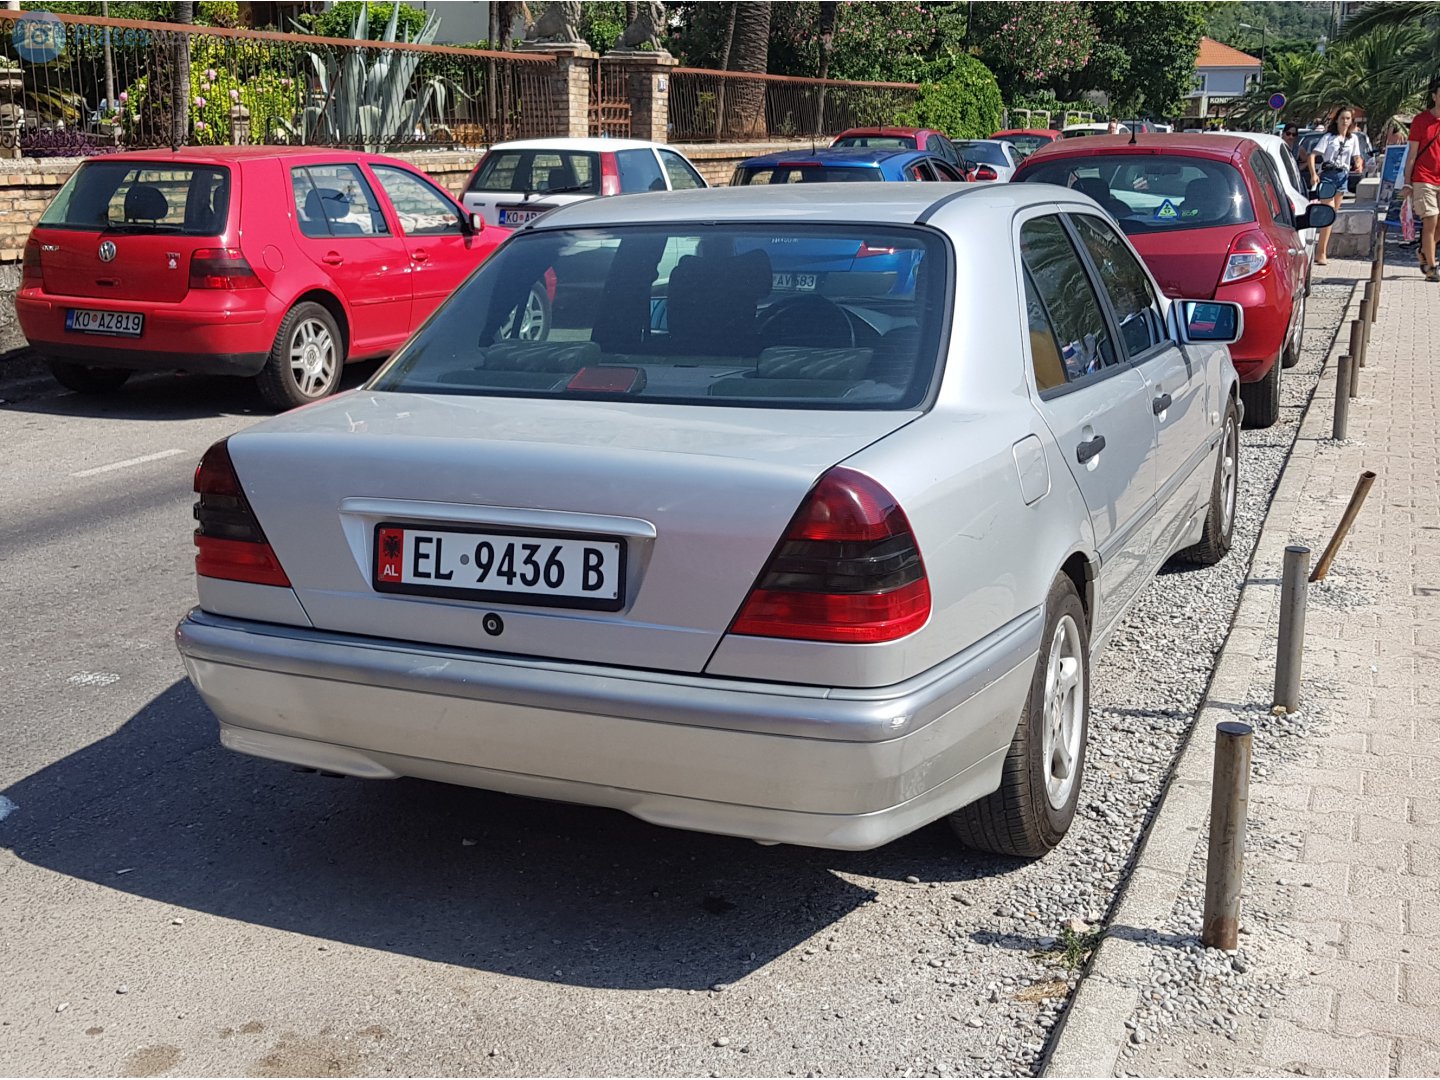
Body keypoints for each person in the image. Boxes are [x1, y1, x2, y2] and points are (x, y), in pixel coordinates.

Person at [1307, 105, 1366, 265]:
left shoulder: (1353, 139)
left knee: (1332, 217)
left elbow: (1356, 156)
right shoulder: (1328, 137)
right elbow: (1313, 155)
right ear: (1337, 120)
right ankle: (1321, 253)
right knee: (1329, 213)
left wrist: (1359, 163)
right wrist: (1314, 174)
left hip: (1342, 176)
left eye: (1348, 119)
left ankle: (1321, 249)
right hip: (1328, 176)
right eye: (1342, 118)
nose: (1345, 121)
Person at [1400, 77, 1440, 282]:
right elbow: (1412, 154)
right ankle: (1432, 267)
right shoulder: (1421, 121)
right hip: (1424, 178)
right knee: (1430, 219)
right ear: (1434, 96)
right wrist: (1407, 182)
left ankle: (1424, 251)